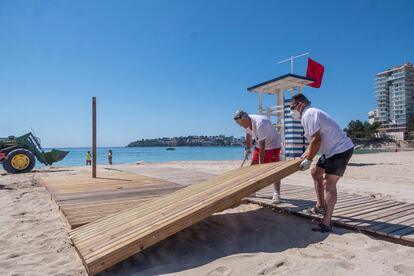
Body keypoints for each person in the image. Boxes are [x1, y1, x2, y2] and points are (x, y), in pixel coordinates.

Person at [290, 94, 354, 233]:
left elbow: (316, 140)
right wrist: (303, 157)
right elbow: (312, 143)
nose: (291, 111)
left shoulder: (309, 114)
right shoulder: (307, 116)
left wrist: (309, 159)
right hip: (330, 152)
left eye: (292, 107)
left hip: (340, 150)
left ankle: (326, 223)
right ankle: (320, 205)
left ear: (300, 104)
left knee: (329, 184)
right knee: (315, 172)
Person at [234, 110, 282, 204]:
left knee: (274, 169)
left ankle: (277, 193)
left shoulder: (260, 123)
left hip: (273, 145)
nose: (240, 126)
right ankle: (253, 190)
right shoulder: (247, 121)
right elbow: (248, 134)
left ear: (245, 119)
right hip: (259, 145)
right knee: (253, 166)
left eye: (240, 123)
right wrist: (247, 149)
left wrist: (261, 166)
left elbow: (263, 146)